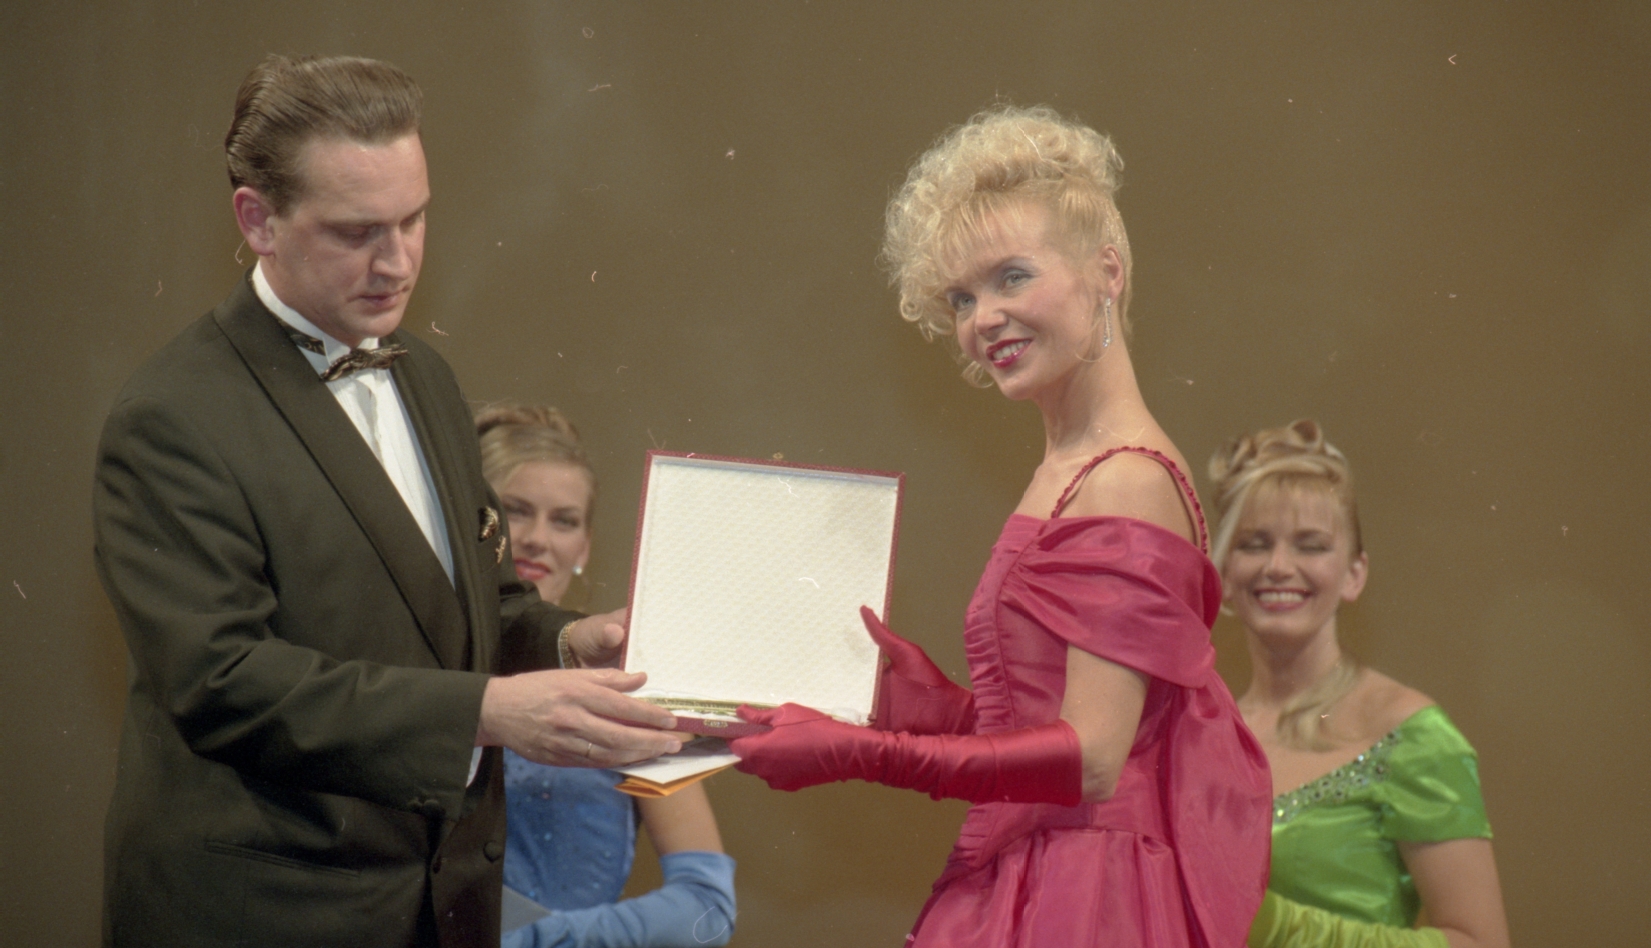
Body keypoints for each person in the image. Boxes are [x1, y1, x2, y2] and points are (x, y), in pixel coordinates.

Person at [92, 55, 682, 948]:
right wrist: (485, 713)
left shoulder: (425, 376)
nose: (398, 261)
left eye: (414, 219)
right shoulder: (173, 416)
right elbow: (220, 682)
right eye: (357, 231)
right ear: (257, 220)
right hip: (267, 916)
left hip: (438, 910)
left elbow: (470, 607)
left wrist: (567, 639)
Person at [728, 105, 1272, 947]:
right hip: (1046, 867)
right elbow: (1062, 724)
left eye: (1011, 277)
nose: (982, 317)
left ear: (1107, 270)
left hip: (1090, 895)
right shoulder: (1072, 466)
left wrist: (859, 751)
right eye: (961, 296)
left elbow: (1092, 759)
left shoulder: (1123, 477)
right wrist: (937, 710)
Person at [1207, 421, 1511, 948]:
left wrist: (1278, 926)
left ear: (1354, 573)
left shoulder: (1411, 735)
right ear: (1225, 573)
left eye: (1310, 546)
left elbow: (1481, 942)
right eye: (1254, 545)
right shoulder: (1202, 734)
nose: (1278, 566)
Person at [474, 404, 735, 948]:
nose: (538, 539)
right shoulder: (411, 670)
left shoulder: (631, 686)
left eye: (564, 521)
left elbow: (707, 907)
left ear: (585, 546)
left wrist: (537, 940)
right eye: (515, 512)